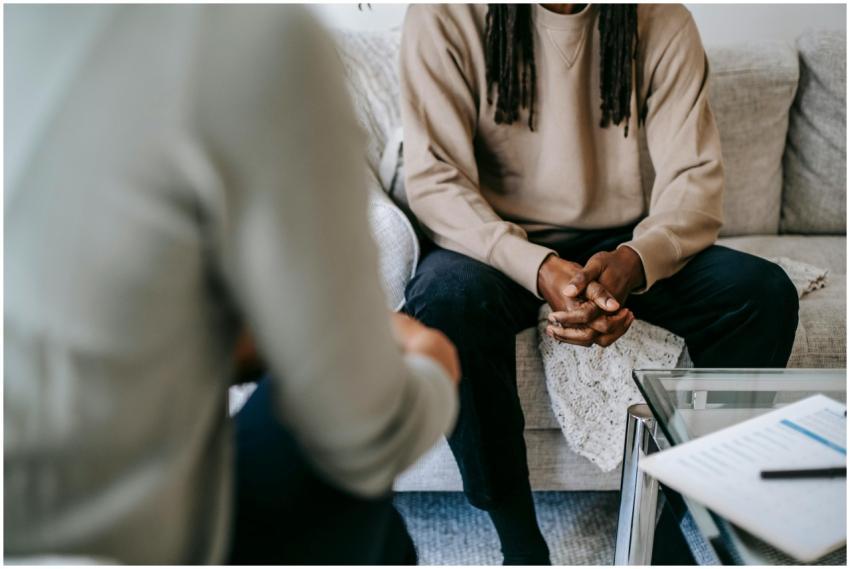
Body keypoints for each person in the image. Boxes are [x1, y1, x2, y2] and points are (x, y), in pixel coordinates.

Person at [5, 5, 460, 564]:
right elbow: (363, 434)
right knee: (352, 484)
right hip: (122, 545)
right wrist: (432, 361)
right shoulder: (250, 41)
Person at [400, 3, 799, 564]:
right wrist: (536, 267)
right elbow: (435, 177)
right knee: (444, 302)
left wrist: (636, 261)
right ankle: (519, 544)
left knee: (763, 295)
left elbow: (694, 180)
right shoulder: (445, 14)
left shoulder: (661, 19)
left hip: (619, 245)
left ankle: (664, 524)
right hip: (494, 241)